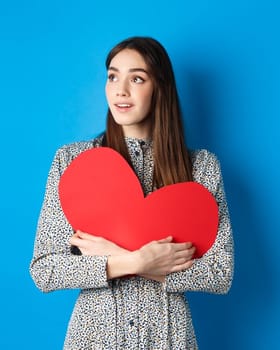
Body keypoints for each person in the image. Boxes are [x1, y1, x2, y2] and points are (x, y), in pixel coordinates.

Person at [29, 36, 234, 349]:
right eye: (113, 76)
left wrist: (112, 252)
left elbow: (220, 274)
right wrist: (137, 262)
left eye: (136, 78)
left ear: (159, 88)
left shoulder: (201, 168)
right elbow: (46, 269)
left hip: (169, 338)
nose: (120, 90)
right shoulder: (72, 162)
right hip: (94, 339)